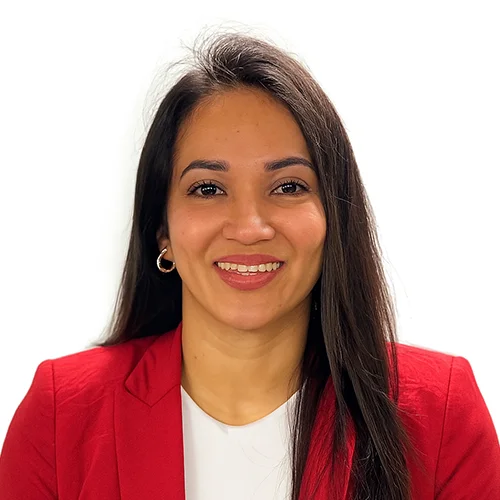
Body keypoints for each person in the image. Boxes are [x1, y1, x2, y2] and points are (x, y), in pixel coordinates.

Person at [0, 31, 499, 500]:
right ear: (162, 231)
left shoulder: (440, 413)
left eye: (288, 186)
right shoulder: (61, 415)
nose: (249, 227)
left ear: (334, 218)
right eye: (207, 189)